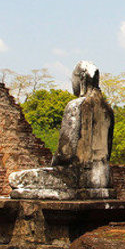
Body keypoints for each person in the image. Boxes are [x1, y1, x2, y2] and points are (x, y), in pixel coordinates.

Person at [9, 61, 115, 199]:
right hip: (104, 178)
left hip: (75, 176)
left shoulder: (76, 106)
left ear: (82, 79)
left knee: (16, 179)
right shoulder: (108, 110)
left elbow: (66, 153)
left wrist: (54, 165)